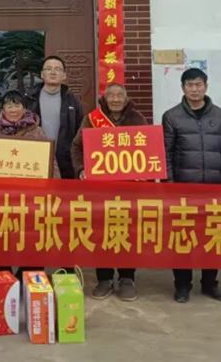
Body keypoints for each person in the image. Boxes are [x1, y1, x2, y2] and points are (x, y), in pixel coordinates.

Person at [162, 68, 221, 303]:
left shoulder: (220, 115)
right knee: (182, 239)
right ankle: (183, 286)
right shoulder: (171, 116)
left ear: (206, 86)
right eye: (190, 85)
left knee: (213, 238)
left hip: (215, 188)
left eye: (198, 84)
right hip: (184, 190)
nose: (194, 89)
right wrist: (170, 184)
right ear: (183, 88)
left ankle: (209, 284)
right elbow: (166, 153)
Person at [71, 83, 147, 301]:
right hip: (100, 190)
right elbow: (76, 147)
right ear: (104, 98)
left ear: (126, 98)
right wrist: (81, 169)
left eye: (119, 95)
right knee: (101, 233)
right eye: (111, 95)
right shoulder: (92, 119)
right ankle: (104, 278)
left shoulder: (138, 120)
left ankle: (127, 278)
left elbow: (148, 149)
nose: (115, 99)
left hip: (129, 189)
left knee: (128, 233)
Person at [0, 90, 59, 280]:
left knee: (32, 237)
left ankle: (29, 277)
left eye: (17, 105)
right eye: (9, 105)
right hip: (2, 198)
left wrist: (55, 186)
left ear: (24, 108)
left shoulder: (37, 131)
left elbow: (50, 161)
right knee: (3, 237)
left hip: (31, 198)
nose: (13, 109)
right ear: (2, 108)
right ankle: (4, 278)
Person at [26, 56, 84, 179]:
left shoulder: (73, 101)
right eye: (48, 69)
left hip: (65, 162)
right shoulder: (29, 99)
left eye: (57, 69)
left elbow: (80, 133)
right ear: (42, 74)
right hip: (33, 160)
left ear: (64, 75)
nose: (53, 72)